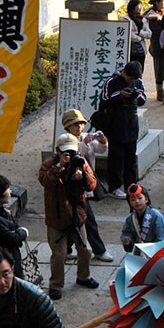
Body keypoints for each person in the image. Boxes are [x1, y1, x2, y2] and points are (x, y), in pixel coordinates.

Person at [37, 135, 100, 300]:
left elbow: (92, 184)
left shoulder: (81, 162)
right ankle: (55, 285)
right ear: (57, 151)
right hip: (56, 217)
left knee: (85, 250)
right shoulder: (49, 165)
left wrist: (83, 177)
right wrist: (59, 166)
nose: (70, 155)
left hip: (76, 215)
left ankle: (83, 277)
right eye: (66, 152)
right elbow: (45, 181)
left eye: (72, 151)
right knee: (59, 255)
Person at [59, 108, 112, 263]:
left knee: (76, 219)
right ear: (68, 127)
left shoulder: (83, 137)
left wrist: (103, 141)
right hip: (72, 187)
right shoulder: (64, 140)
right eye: (75, 124)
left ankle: (69, 249)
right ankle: (99, 250)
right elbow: (74, 156)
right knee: (85, 219)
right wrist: (84, 144)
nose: (79, 127)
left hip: (84, 184)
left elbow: (100, 149)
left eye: (81, 124)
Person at [100, 62, 147, 198]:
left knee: (131, 158)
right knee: (116, 158)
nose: (132, 81)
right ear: (125, 73)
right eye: (130, 79)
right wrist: (119, 95)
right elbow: (103, 100)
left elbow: (143, 99)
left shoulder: (137, 82)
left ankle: (131, 186)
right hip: (115, 123)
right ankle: (114, 186)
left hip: (131, 123)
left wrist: (136, 95)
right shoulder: (111, 81)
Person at [120, 183, 164, 252]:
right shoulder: (130, 219)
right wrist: (127, 240)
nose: (137, 201)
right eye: (133, 200)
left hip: (156, 253)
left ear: (146, 199)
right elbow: (126, 233)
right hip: (140, 253)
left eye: (140, 198)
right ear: (130, 203)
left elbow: (163, 238)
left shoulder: (156, 216)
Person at [145, 0, 164, 101]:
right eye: (162, 2)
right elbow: (158, 30)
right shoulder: (152, 15)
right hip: (157, 46)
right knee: (159, 69)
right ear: (157, 3)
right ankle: (160, 93)